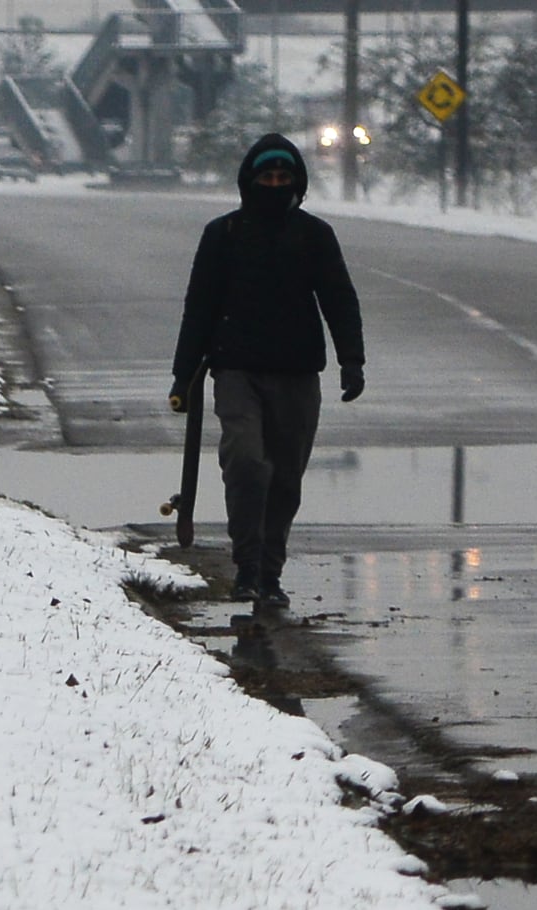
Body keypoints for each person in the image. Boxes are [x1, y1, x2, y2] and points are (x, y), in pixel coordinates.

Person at [170, 132, 366, 609]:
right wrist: (183, 374)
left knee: (283, 478)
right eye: (266, 176)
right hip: (237, 371)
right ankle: (248, 566)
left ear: (296, 183)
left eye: (283, 177)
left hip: (298, 375)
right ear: (250, 181)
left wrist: (351, 360)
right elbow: (200, 306)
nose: (275, 185)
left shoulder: (314, 235)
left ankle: (270, 573)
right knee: (246, 462)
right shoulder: (225, 234)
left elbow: (338, 298)